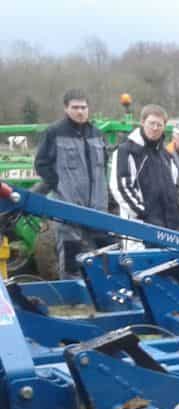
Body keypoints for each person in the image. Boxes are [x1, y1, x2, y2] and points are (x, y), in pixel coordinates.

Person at [34, 88, 110, 278]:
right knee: (71, 254)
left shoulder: (97, 134)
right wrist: (59, 185)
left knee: (103, 252)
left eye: (83, 107)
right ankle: (73, 296)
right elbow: (41, 164)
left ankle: (101, 293)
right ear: (66, 109)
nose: (80, 111)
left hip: (98, 208)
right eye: (75, 107)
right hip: (68, 206)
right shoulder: (54, 133)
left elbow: (104, 167)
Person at [110, 104, 179, 230]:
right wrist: (144, 215)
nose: (155, 128)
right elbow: (121, 188)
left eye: (159, 125)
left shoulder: (167, 157)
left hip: (168, 228)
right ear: (142, 122)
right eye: (151, 123)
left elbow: (175, 188)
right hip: (139, 230)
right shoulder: (126, 151)